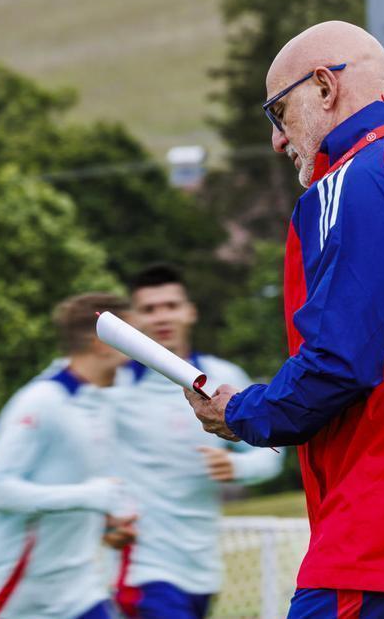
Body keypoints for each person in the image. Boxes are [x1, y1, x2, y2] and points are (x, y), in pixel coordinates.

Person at [183, 20, 384, 618]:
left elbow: (339, 359)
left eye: (279, 113)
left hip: (380, 537)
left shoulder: (355, 178)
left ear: (326, 88)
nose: (279, 142)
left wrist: (244, 411)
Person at [111, 263, 283, 619]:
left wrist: (237, 465)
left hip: (202, 568)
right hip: (141, 570)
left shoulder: (225, 378)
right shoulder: (112, 386)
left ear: (191, 312)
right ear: (132, 320)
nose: (162, 316)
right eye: (149, 308)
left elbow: (272, 455)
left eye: (171, 305)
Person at [0, 293, 135, 619]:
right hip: (11, 600)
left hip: (80, 594)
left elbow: (75, 490)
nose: (138, 352)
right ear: (103, 344)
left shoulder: (105, 402)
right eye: (132, 338)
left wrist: (107, 522)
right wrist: (91, 496)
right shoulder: (40, 400)